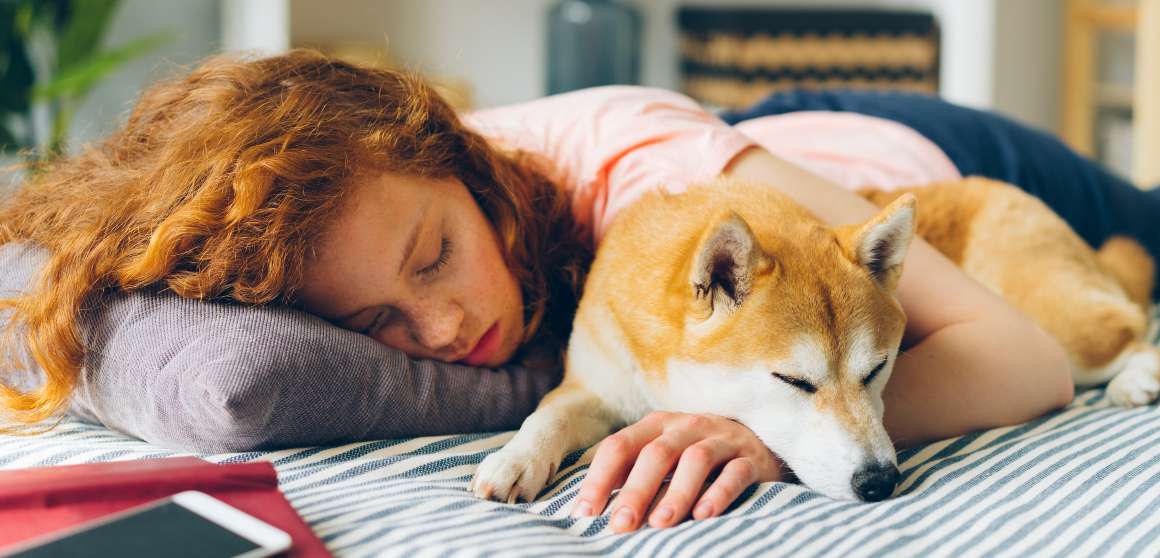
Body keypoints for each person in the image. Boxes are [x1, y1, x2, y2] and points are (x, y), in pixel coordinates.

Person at [0, 50, 1091, 534]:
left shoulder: (644, 175)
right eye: (374, 323)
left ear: (463, 163)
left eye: (433, 254)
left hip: (937, 159)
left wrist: (774, 428)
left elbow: (1025, 356)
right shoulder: (344, 235)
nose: (443, 328)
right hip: (772, 130)